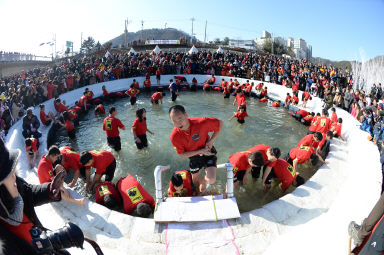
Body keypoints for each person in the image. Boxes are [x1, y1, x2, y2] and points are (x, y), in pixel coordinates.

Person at [0, 140, 85, 255]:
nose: (15, 178)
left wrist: (50, 190)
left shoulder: (14, 185)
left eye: (13, 171)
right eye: (9, 175)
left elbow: (28, 192)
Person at [169, 105, 223, 194]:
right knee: (194, 183)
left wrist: (211, 140)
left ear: (186, 115)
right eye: (174, 121)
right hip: (193, 156)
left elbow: (220, 123)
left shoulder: (201, 122)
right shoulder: (174, 136)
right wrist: (198, 151)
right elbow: (181, 154)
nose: (178, 124)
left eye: (180, 119)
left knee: (211, 179)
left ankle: (204, 180)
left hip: (207, 152)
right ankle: (199, 194)